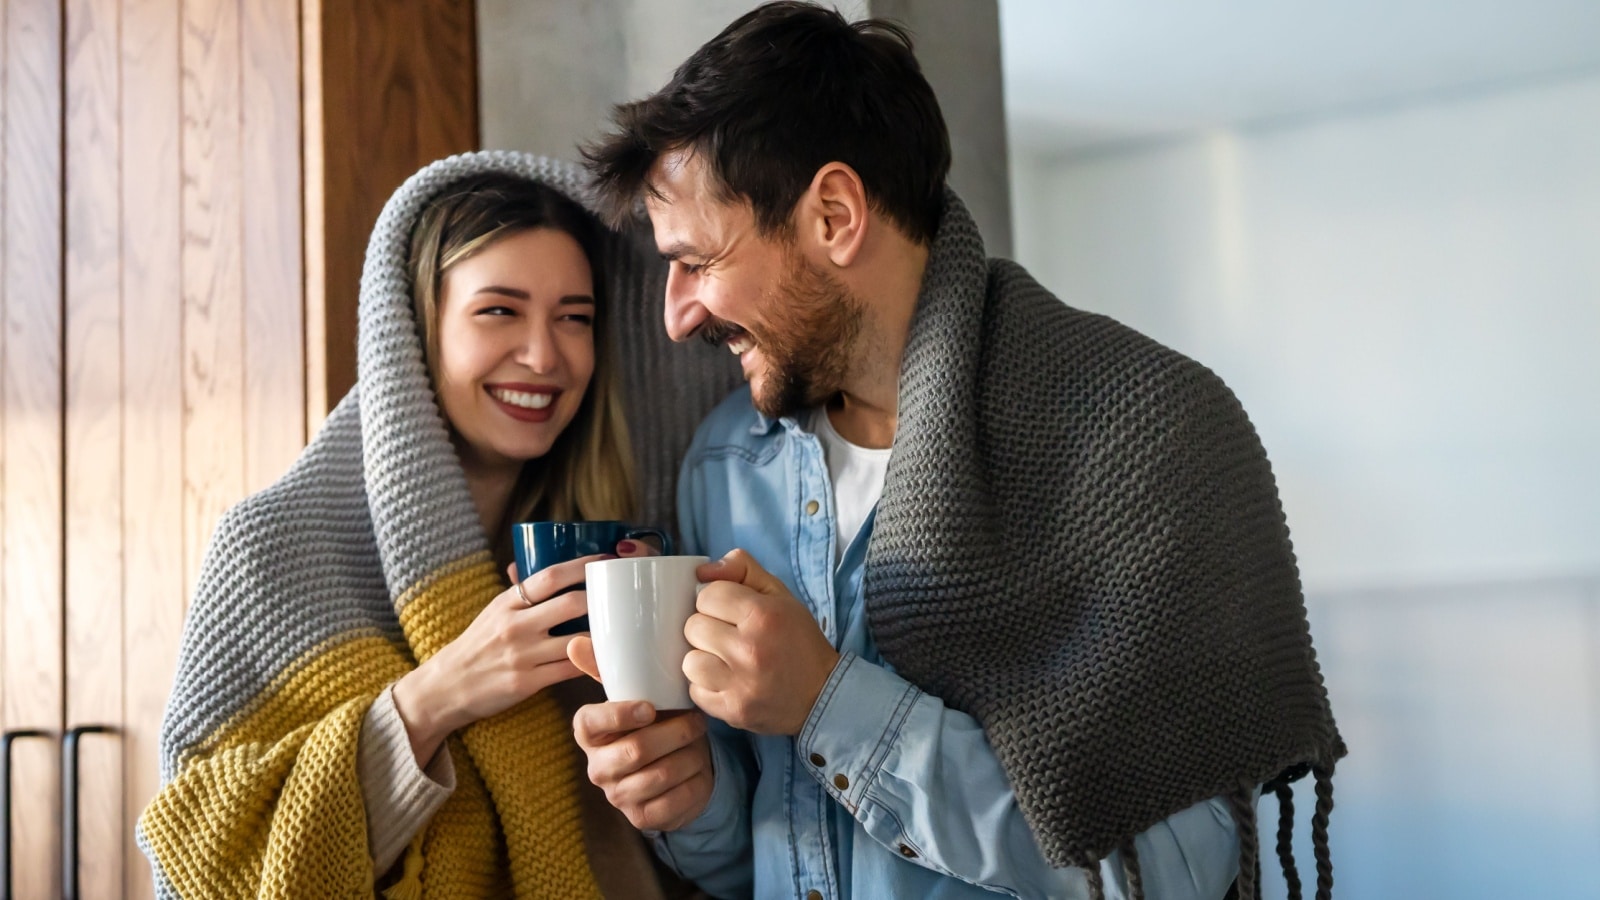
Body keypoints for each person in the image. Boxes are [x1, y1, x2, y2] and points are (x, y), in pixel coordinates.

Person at [566, 4, 1346, 900]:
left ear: (832, 214)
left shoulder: (1147, 436)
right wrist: (691, 803)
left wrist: (833, 706)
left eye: (696, 259)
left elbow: (1180, 868)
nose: (675, 314)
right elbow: (767, 861)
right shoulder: (724, 467)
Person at [139, 152, 695, 899]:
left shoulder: (617, 552)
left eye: (576, 318)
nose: (543, 355)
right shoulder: (270, 551)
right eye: (499, 310)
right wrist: (437, 696)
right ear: (415, 327)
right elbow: (198, 856)